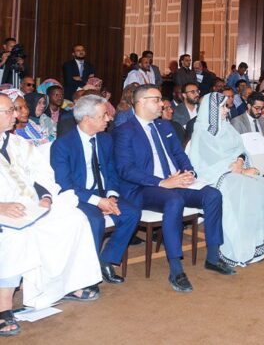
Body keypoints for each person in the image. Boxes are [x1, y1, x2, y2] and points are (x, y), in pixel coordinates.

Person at [113, 84, 234, 293]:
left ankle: (213, 257)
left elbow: (179, 155)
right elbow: (125, 169)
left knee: (213, 195)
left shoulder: (165, 126)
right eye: (157, 100)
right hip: (144, 188)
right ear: (141, 102)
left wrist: (189, 173)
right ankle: (176, 269)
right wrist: (161, 182)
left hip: (175, 182)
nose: (162, 104)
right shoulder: (125, 131)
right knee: (174, 200)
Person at [0, 93, 101, 332]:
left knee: (75, 219)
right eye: (9, 110)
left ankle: (66, 285)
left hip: (29, 206)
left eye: (15, 109)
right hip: (5, 211)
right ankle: (4, 306)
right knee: (16, 234)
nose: (16, 115)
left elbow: (41, 173)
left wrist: (45, 196)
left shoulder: (18, 143)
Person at [50, 95, 141, 285]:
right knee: (95, 220)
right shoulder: (62, 145)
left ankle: (105, 260)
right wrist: (98, 202)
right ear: (87, 119)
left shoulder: (105, 139)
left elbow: (112, 171)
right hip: (78, 196)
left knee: (131, 213)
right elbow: (65, 184)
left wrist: (111, 195)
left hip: (102, 193)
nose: (109, 118)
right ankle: (85, 273)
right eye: (103, 115)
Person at [187, 92, 264, 266]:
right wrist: (239, 171)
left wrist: (241, 162)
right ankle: (237, 249)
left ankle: (255, 244)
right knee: (241, 187)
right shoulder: (201, 131)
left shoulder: (227, 127)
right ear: (211, 110)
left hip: (234, 170)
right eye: (222, 107)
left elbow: (241, 149)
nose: (226, 110)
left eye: (226, 106)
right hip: (214, 176)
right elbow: (207, 162)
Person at [232, 92, 264, 184]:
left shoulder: (263, 121)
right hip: (248, 157)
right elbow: (236, 146)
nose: (260, 111)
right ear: (249, 106)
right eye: (257, 108)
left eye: (262, 108)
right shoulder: (237, 121)